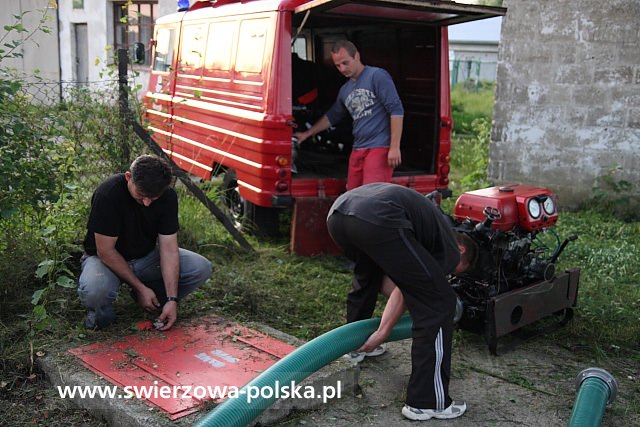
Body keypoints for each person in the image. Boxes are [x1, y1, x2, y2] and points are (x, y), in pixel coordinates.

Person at [326, 182, 477, 421]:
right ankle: (428, 403)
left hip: (340, 213)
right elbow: (412, 291)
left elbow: (403, 285)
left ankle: (355, 346)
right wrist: (383, 332)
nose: (449, 274)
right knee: (440, 302)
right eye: (456, 271)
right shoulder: (449, 248)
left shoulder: (428, 229)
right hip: (379, 218)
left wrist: (379, 334)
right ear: (461, 250)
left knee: (368, 277)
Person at [77, 155, 212, 331]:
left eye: (153, 198)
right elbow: (106, 252)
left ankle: (158, 303)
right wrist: (140, 287)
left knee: (200, 267)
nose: (147, 203)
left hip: (145, 257)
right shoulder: (108, 194)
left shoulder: (168, 197)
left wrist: (172, 299)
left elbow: (169, 250)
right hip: (104, 260)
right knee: (95, 290)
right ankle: (101, 319)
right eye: (141, 195)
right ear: (128, 177)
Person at [293, 40, 404, 190]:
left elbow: (396, 110)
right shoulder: (345, 90)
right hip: (358, 148)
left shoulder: (377, 76)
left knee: (371, 196)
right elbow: (332, 116)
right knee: (352, 195)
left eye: (346, 63)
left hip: (379, 147)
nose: (342, 69)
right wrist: (307, 134)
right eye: (338, 65)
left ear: (357, 56)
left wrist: (394, 147)